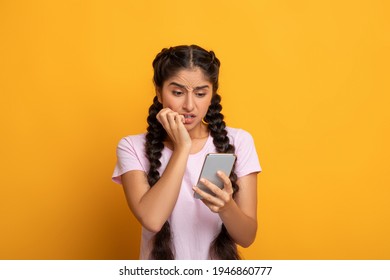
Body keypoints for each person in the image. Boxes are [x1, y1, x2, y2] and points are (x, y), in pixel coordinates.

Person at [112, 45, 261, 260]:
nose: (189, 105)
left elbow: (247, 237)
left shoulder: (239, 141)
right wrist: (182, 147)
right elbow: (152, 219)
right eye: (178, 93)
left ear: (213, 94)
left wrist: (227, 207)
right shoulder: (131, 147)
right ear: (159, 91)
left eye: (201, 93)